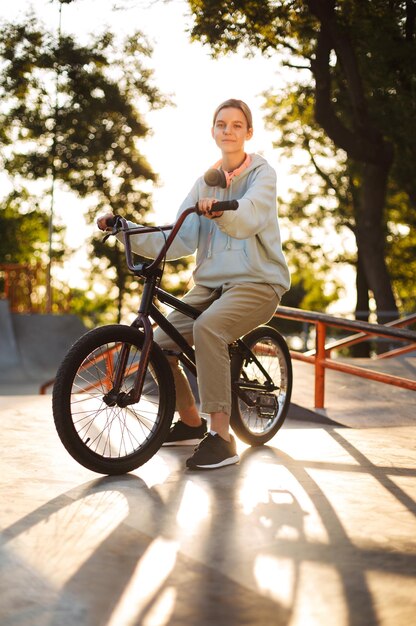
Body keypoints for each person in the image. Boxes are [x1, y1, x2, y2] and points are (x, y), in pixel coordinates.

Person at [97, 98, 290, 470]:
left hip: (258, 282)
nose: (228, 131)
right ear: (213, 131)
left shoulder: (263, 174)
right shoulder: (205, 180)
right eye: (222, 124)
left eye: (237, 125)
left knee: (209, 329)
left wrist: (222, 210)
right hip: (210, 288)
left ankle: (221, 437)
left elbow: (250, 215)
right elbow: (179, 235)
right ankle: (189, 421)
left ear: (248, 133)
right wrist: (126, 229)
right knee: (159, 343)